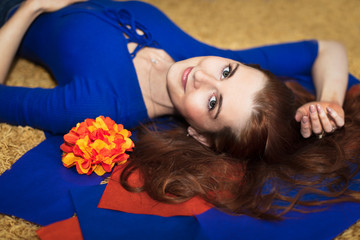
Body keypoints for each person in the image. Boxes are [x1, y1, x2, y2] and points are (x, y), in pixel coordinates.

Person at [0, 0, 359, 219]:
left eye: (213, 103)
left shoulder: (93, 104)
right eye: (227, 70)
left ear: (200, 135)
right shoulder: (205, 58)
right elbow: (326, 48)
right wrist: (329, 99)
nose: (202, 74)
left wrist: (32, 8)